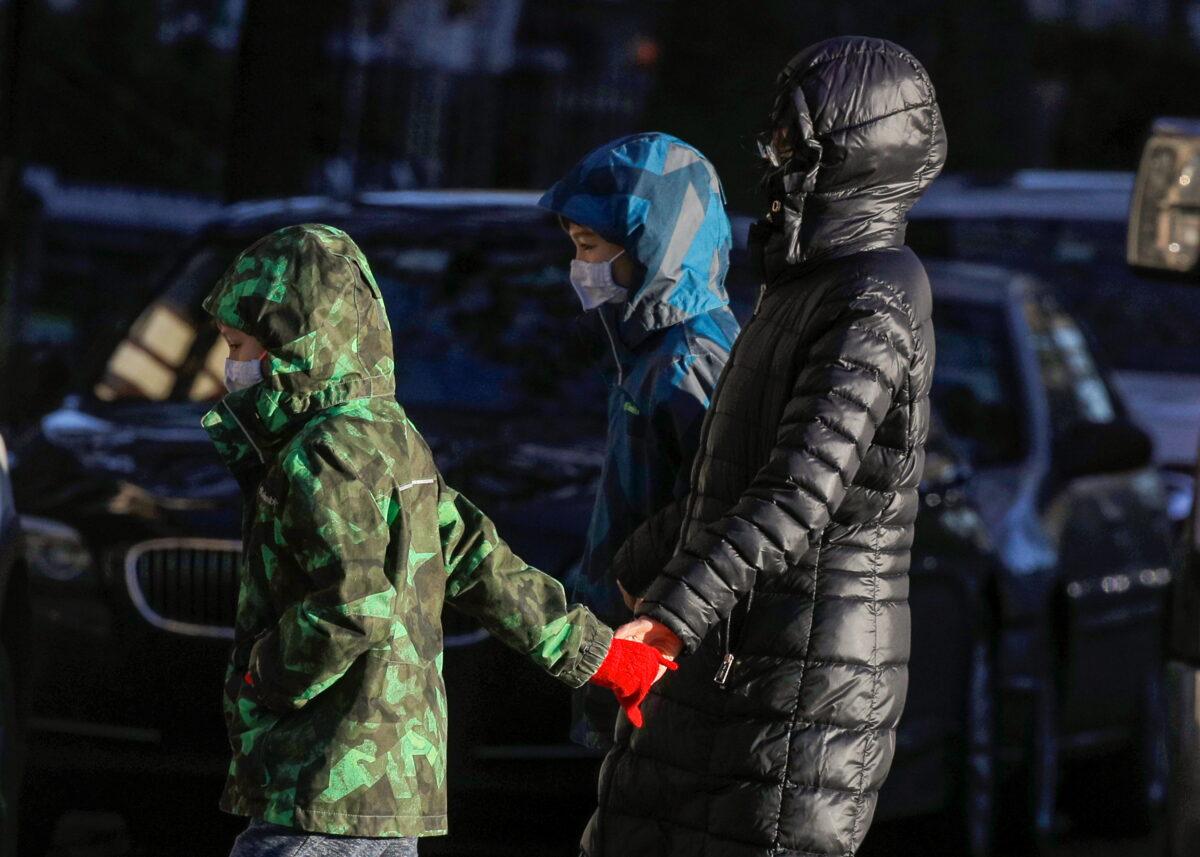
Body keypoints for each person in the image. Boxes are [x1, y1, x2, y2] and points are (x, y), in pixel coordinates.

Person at [200, 224, 673, 856]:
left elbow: (352, 604)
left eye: (236, 344)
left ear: (295, 346)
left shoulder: (322, 453)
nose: (228, 366)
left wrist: (265, 677)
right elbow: (478, 558)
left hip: (322, 777)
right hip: (391, 785)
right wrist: (600, 655)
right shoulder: (393, 437)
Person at [582, 36, 946, 857]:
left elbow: (798, 491)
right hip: (730, 655)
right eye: (774, 142)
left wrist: (669, 617)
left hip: (803, 678)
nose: (774, 164)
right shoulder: (800, 287)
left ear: (848, 156)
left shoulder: (877, 295)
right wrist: (629, 579)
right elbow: (724, 477)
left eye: (792, 146)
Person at [537, 132, 740, 748]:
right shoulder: (646, 350)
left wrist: (639, 582)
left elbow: (719, 507)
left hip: (660, 664)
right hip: (630, 653)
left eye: (591, 246)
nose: (581, 267)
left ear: (655, 247)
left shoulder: (688, 359)